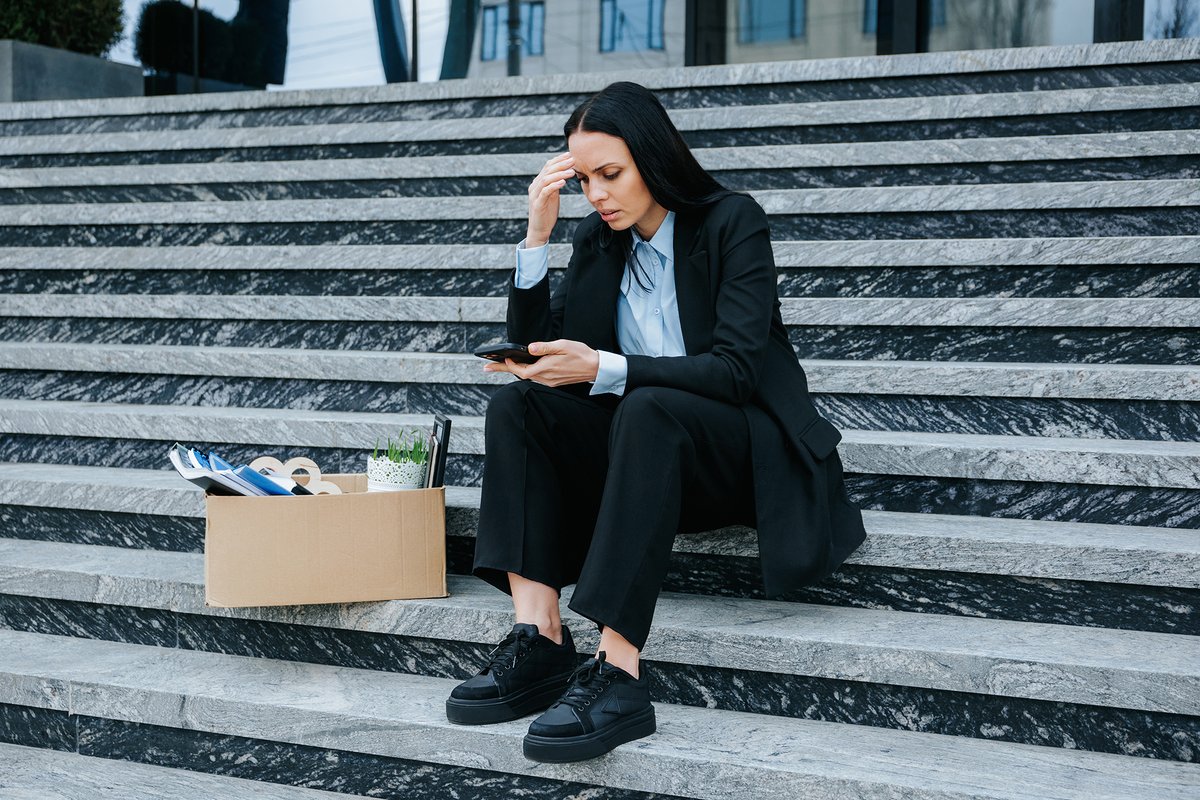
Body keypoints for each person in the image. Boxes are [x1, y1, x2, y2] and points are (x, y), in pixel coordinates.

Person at [444, 81, 866, 763]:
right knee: (517, 403)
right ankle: (540, 637)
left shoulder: (732, 221)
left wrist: (607, 368)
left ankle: (617, 673)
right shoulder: (598, 241)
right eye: (584, 180)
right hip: (645, 458)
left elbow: (735, 371)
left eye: (611, 174)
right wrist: (537, 236)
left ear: (654, 157)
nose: (599, 193)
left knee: (644, 399)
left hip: (741, 456)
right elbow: (543, 350)